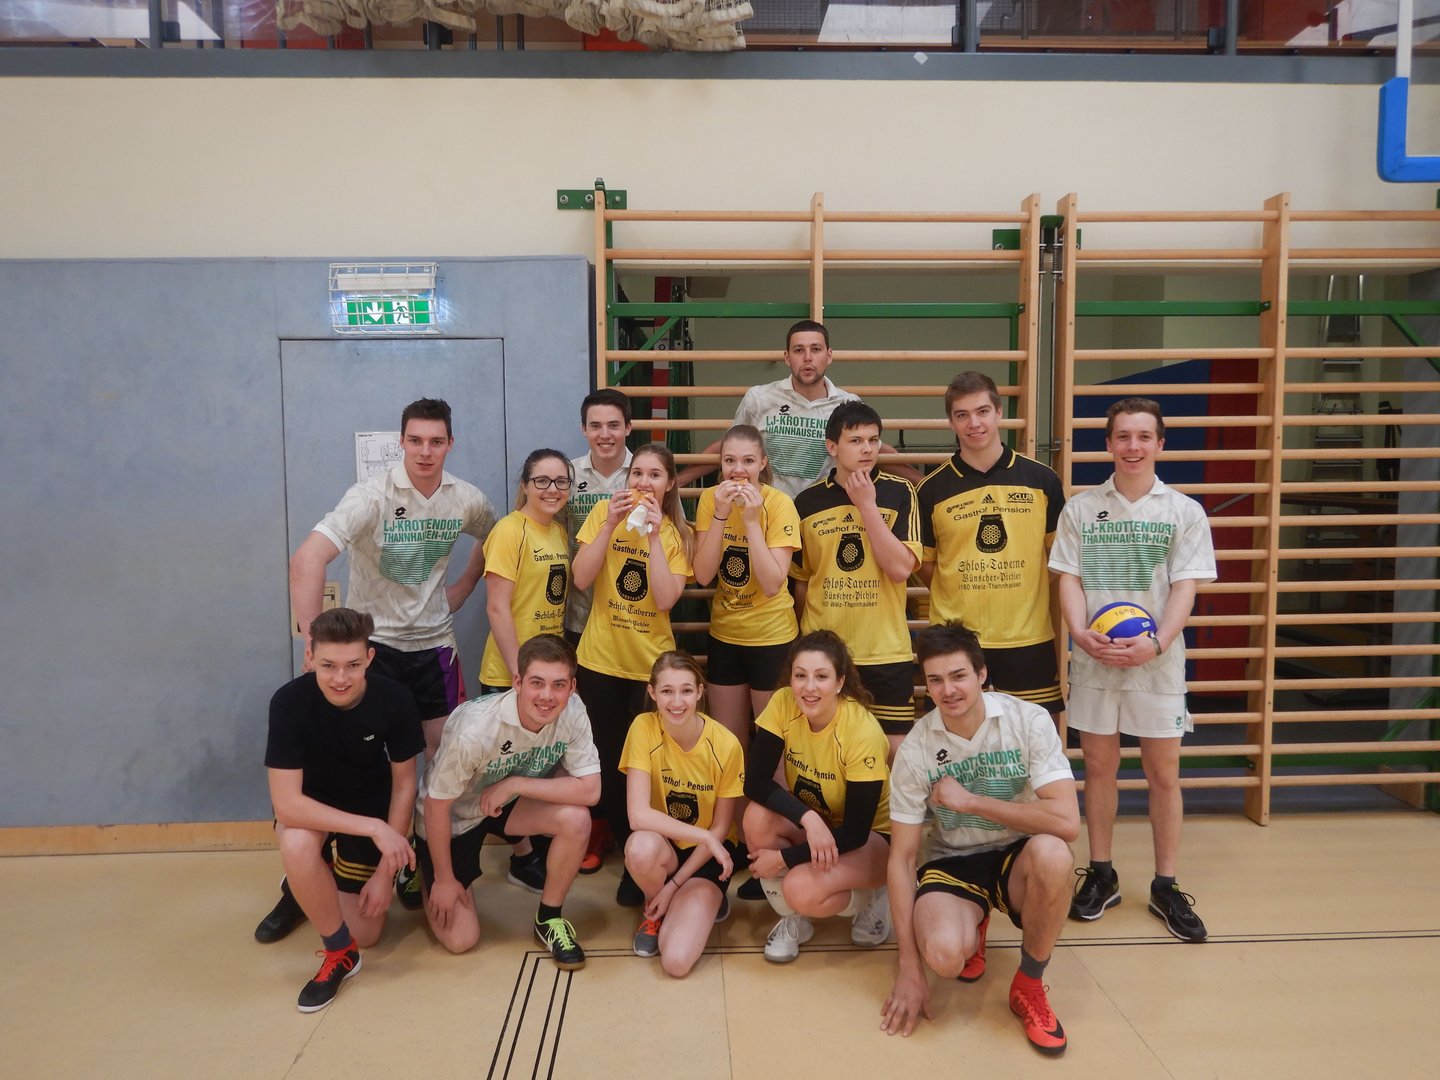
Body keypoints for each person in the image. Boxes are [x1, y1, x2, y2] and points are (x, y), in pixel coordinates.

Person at [257, 397, 497, 942]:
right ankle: (299, 884)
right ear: (401, 442)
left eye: (436, 441)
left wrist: (463, 587)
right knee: (347, 765)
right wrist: (315, 642)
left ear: (450, 444)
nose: (425, 451)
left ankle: (422, 866)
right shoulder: (371, 497)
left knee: (441, 763)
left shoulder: (465, 499)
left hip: (433, 648)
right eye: (415, 440)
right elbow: (307, 559)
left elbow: (500, 535)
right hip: (377, 647)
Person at [1048, 398, 1217, 942]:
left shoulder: (1184, 511)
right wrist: (1079, 633)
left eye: (1144, 436)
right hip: (1095, 659)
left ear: (1160, 444)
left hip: (1157, 665)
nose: (1133, 446)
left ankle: (1166, 885)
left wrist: (1159, 642)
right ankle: (1102, 874)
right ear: (1109, 444)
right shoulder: (1080, 509)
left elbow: (1186, 587)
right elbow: (1069, 579)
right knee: (1098, 768)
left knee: (1163, 774)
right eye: (1123, 436)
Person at [881, 623, 1078, 1055]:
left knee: (1055, 854)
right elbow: (901, 859)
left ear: (982, 674)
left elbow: (1066, 821)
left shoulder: (1028, 721)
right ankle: (974, 918)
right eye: (935, 680)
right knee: (944, 958)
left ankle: (1029, 985)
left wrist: (971, 802)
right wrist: (908, 967)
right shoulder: (916, 749)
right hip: (953, 860)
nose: (948, 690)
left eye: (958, 676)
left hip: (1018, 854)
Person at [263, 608, 424, 1012]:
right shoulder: (288, 702)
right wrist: (375, 829)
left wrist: (386, 873)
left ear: (369, 657)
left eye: (352, 665)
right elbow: (287, 804)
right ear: (310, 657)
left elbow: (405, 784)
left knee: (367, 932)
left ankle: (305, 887)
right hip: (312, 808)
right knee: (297, 844)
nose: (340, 678)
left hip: (368, 803)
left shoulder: (396, 699)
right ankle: (340, 952)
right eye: (328, 666)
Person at [418, 634, 600, 969]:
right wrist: (443, 879)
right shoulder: (476, 730)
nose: (547, 696)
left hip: (507, 801)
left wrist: (515, 784)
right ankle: (419, 868)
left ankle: (549, 919)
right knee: (461, 940)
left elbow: (590, 791)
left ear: (572, 687)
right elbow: (435, 805)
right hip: (453, 814)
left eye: (559, 685)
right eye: (537, 683)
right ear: (517, 682)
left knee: (576, 820)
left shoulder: (573, 710)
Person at [572, 441, 694, 898]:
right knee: (608, 763)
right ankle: (626, 850)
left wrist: (654, 537)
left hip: (651, 670)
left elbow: (664, 599)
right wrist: (609, 524)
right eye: (637, 473)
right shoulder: (603, 516)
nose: (644, 482)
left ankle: (645, 856)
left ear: (669, 484)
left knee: (648, 769)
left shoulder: (677, 534)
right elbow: (581, 578)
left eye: (654, 475)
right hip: (600, 661)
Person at [917, 371, 1067, 715]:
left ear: (999, 412)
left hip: (1027, 637)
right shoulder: (931, 489)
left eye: (982, 411)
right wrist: (958, 590)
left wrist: (1024, 586)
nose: (974, 423)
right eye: (962, 415)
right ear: (951, 422)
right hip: (957, 640)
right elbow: (926, 564)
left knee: (1034, 738)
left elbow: (1059, 557)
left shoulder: (1042, 479)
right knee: (956, 739)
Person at [743, 631, 893, 963]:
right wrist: (809, 819)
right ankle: (795, 919)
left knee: (798, 887)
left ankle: (875, 897)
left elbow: (854, 832)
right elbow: (754, 782)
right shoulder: (784, 702)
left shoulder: (861, 731)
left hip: (871, 838)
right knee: (756, 816)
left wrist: (781, 859)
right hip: (820, 821)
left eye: (821, 677)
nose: (809, 687)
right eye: (801, 676)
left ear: (840, 682)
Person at [791, 401, 922, 754]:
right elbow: (802, 581)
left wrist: (866, 504)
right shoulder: (807, 502)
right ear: (832, 447)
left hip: (885, 651)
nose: (867, 449)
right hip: (825, 655)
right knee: (826, 750)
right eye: (856, 440)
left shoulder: (899, 492)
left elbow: (900, 569)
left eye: (873, 440)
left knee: (894, 752)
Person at [476, 448, 575, 893]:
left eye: (561, 481)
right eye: (542, 481)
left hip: (543, 676)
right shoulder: (509, 530)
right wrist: (520, 674)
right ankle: (522, 856)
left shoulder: (558, 532)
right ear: (525, 485)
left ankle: (533, 848)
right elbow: (497, 607)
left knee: (537, 769)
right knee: (503, 770)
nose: (552, 489)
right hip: (509, 675)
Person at [678, 320, 920, 496]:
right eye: (798, 350)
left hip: (825, 512)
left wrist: (924, 482)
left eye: (816, 349)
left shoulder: (847, 403)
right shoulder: (759, 398)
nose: (807, 358)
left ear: (829, 355)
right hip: (769, 511)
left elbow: (876, 449)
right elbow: (729, 446)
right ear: (787, 357)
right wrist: (678, 481)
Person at [621, 651, 744, 977]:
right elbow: (637, 816)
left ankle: (692, 898)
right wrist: (703, 835)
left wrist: (673, 885)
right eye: (667, 691)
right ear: (652, 693)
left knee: (675, 962)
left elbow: (720, 830)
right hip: (665, 847)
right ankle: (654, 907)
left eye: (686, 690)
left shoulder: (726, 744)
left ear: (700, 691)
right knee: (639, 847)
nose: (677, 702)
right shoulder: (643, 728)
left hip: (706, 856)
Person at [691, 423, 800, 774]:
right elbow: (703, 575)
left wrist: (752, 522)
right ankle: (736, 813)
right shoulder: (710, 500)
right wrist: (721, 515)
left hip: (772, 638)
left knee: (772, 747)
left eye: (748, 461)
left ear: (762, 463)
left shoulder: (780, 504)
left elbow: (772, 584)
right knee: (730, 746)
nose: (738, 470)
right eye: (730, 461)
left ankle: (774, 811)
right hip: (725, 636)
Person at [565, 388, 634, 646]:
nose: (605, 435)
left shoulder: (648, 472)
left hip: (634, 615)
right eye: (595, 426)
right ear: (584, 429)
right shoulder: (567, 475)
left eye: (613, 425)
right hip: (579, 614)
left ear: (628, 427)